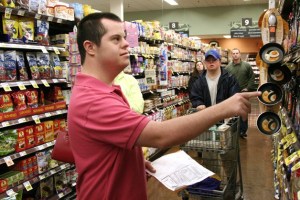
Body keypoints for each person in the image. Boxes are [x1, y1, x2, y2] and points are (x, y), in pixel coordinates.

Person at [67, 12, 261, 200]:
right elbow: (160, 135)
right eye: (116, 39)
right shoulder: (93, 100)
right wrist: (224, 108)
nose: (126, 43)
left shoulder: (108, 90)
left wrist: (131, 162)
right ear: (90, 47)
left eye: (124, 37)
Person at [226, 48, 256, 138]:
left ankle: (243, 131)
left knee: (243, 111)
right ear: (232, 55)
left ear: (240, 54)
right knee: (233, 112)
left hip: (244, 93)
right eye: (233, 53)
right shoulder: (228, 67)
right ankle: (234, 130)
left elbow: (252, 77)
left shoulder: (246, 66)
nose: (235, 55)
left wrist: (248, 88)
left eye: (237, 53)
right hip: (232, 93)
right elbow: (226, 80)